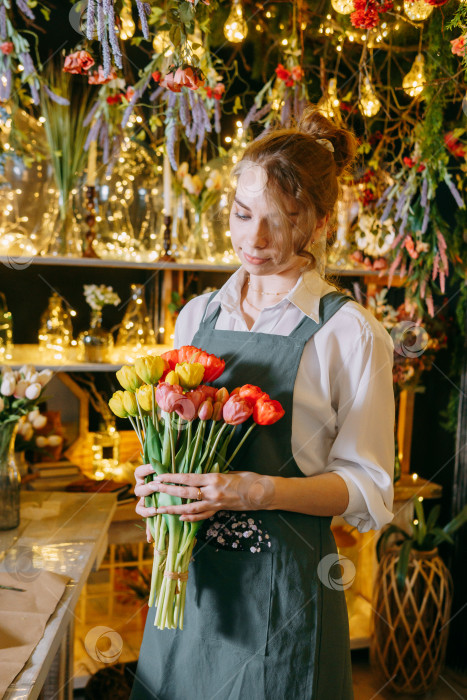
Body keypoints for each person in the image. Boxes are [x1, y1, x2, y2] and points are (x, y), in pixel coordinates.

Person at [130, 107, 395, 700]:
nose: (254, 239)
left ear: (321, 222)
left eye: (281, 220)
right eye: (242, 214)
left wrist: (257, 490)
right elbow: (178, 435)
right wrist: (157, 482)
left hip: (286, 596)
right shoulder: (197, 315)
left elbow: (370, 488)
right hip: (187, 587)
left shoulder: (350, 332)